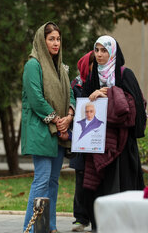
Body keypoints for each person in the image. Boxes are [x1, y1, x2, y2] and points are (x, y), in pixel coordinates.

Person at [81, 35, 146, 232]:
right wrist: (90, 99)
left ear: (113, 52)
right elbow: (85, 107)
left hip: (123, 146)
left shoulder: (126, 75)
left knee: (123, 186)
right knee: (102, 186)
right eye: (97, 50)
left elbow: (134, 109)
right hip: (99, 144)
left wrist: (109, 93)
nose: (99, 54)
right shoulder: (93, 76)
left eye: (104, 50)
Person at [21, 22, 75, 233]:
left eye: (58, 39)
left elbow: (70, 94)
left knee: (53, 182)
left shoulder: (61, 67)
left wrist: (68, 117)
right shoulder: (33, 65)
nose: (56, 43)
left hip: (59, 132)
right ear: (42, 41)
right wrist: (56, 119)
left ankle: (50, 227)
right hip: (41, 130)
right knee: (42, 181)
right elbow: (35, 99)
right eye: (51, 39)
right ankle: (30, 228)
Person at [69, 51, 94, 232]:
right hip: (82, 139)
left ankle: (96, 217)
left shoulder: (105, 82)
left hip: (99, 139)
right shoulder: (76, 85)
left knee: (97, 180)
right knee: (81, 178)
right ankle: (80, 218)